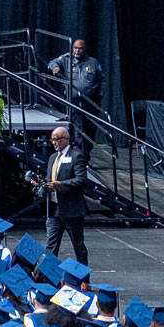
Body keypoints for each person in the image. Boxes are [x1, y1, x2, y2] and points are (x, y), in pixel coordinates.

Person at [44, 125, 89, 261]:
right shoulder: (52, 158)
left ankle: (84, 280)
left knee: (78, 245)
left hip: (71, 210)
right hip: (54, 209)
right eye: (52, 140)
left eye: (57, 139)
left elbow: (81, 180)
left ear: (66, 139)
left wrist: (61, 184)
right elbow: (49, 178)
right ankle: (48, 279)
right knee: (50, 247)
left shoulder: (76, 156)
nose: (54, 143)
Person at [48, 38, 105, 116]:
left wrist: (100, 95)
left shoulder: (93, 62)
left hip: (90, 102)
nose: (77, 50)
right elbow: (52, 62)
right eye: (75, 48)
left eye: (80, 48)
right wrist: (55, 67)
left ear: (84, 49)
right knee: (73, 125)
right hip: (72, 102)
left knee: (90, 126)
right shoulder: (66, 59)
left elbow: (102, 79)